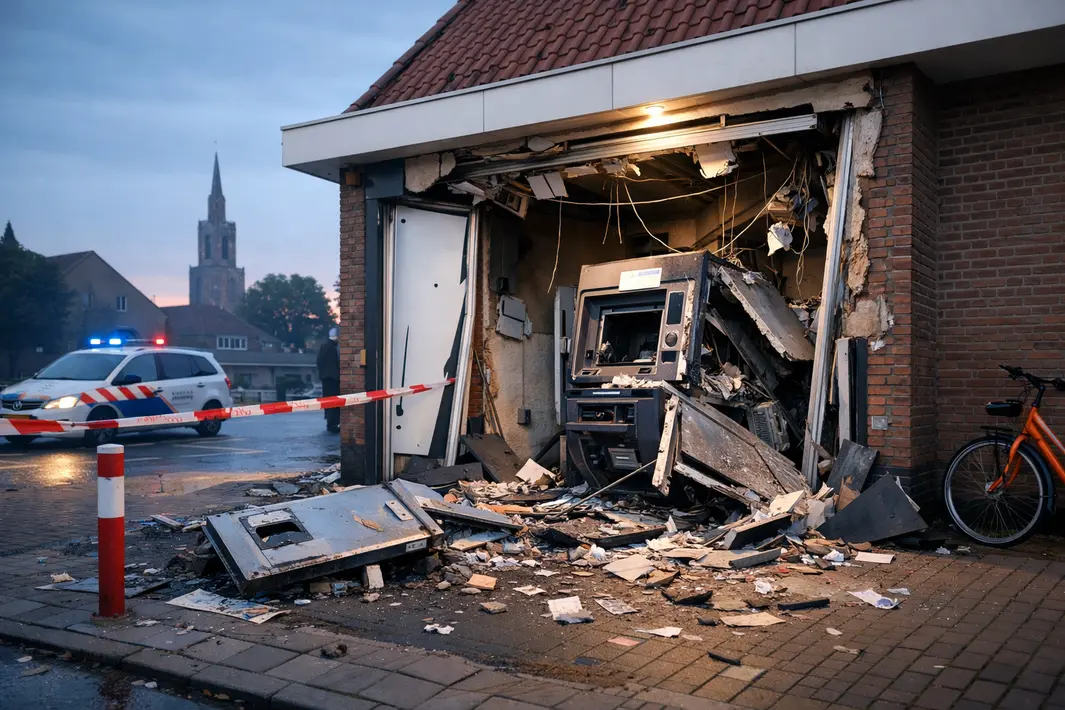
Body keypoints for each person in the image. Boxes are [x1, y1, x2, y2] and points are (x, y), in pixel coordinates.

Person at [317, 327, 341, 433]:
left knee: (328, 401)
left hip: (326, 378)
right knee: (334, 401)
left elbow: (319, 362)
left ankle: (330, 422)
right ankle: (333, 424)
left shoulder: (324, 347)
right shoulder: (332, 348)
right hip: (333, 379)